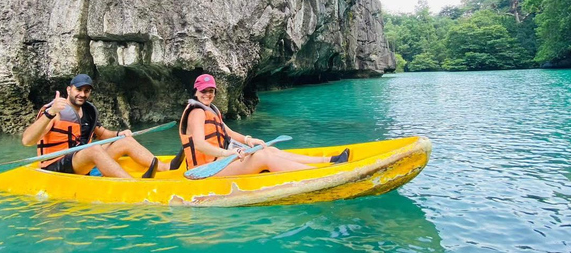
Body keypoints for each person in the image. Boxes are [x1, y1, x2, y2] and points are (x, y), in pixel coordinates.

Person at [178, 74, 350, 176]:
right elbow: (200, 145)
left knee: (269, 150)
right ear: (196, 91)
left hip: (221, 161)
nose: (207, 95)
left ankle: (330, 160)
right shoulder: (196, 112)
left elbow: (227, 132)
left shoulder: (211, 110)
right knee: (263, 158)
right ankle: (318, 175)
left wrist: (248, 140)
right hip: (203, 171)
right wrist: (229, 153)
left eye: (211, 91)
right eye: (204, 91)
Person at [22, 74, 169, 179]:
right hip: (55, 165)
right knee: (93, 149)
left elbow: (103, 134)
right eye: (78, 90)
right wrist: (50, 113)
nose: (82, 94)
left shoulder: (88, 111)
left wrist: (119, 134)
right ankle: (131, 183)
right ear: (68, 90)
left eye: (86, 91)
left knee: (125, 140)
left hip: (80, 161)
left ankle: (165, 168)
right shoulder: (56, 111)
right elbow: (27, 140)